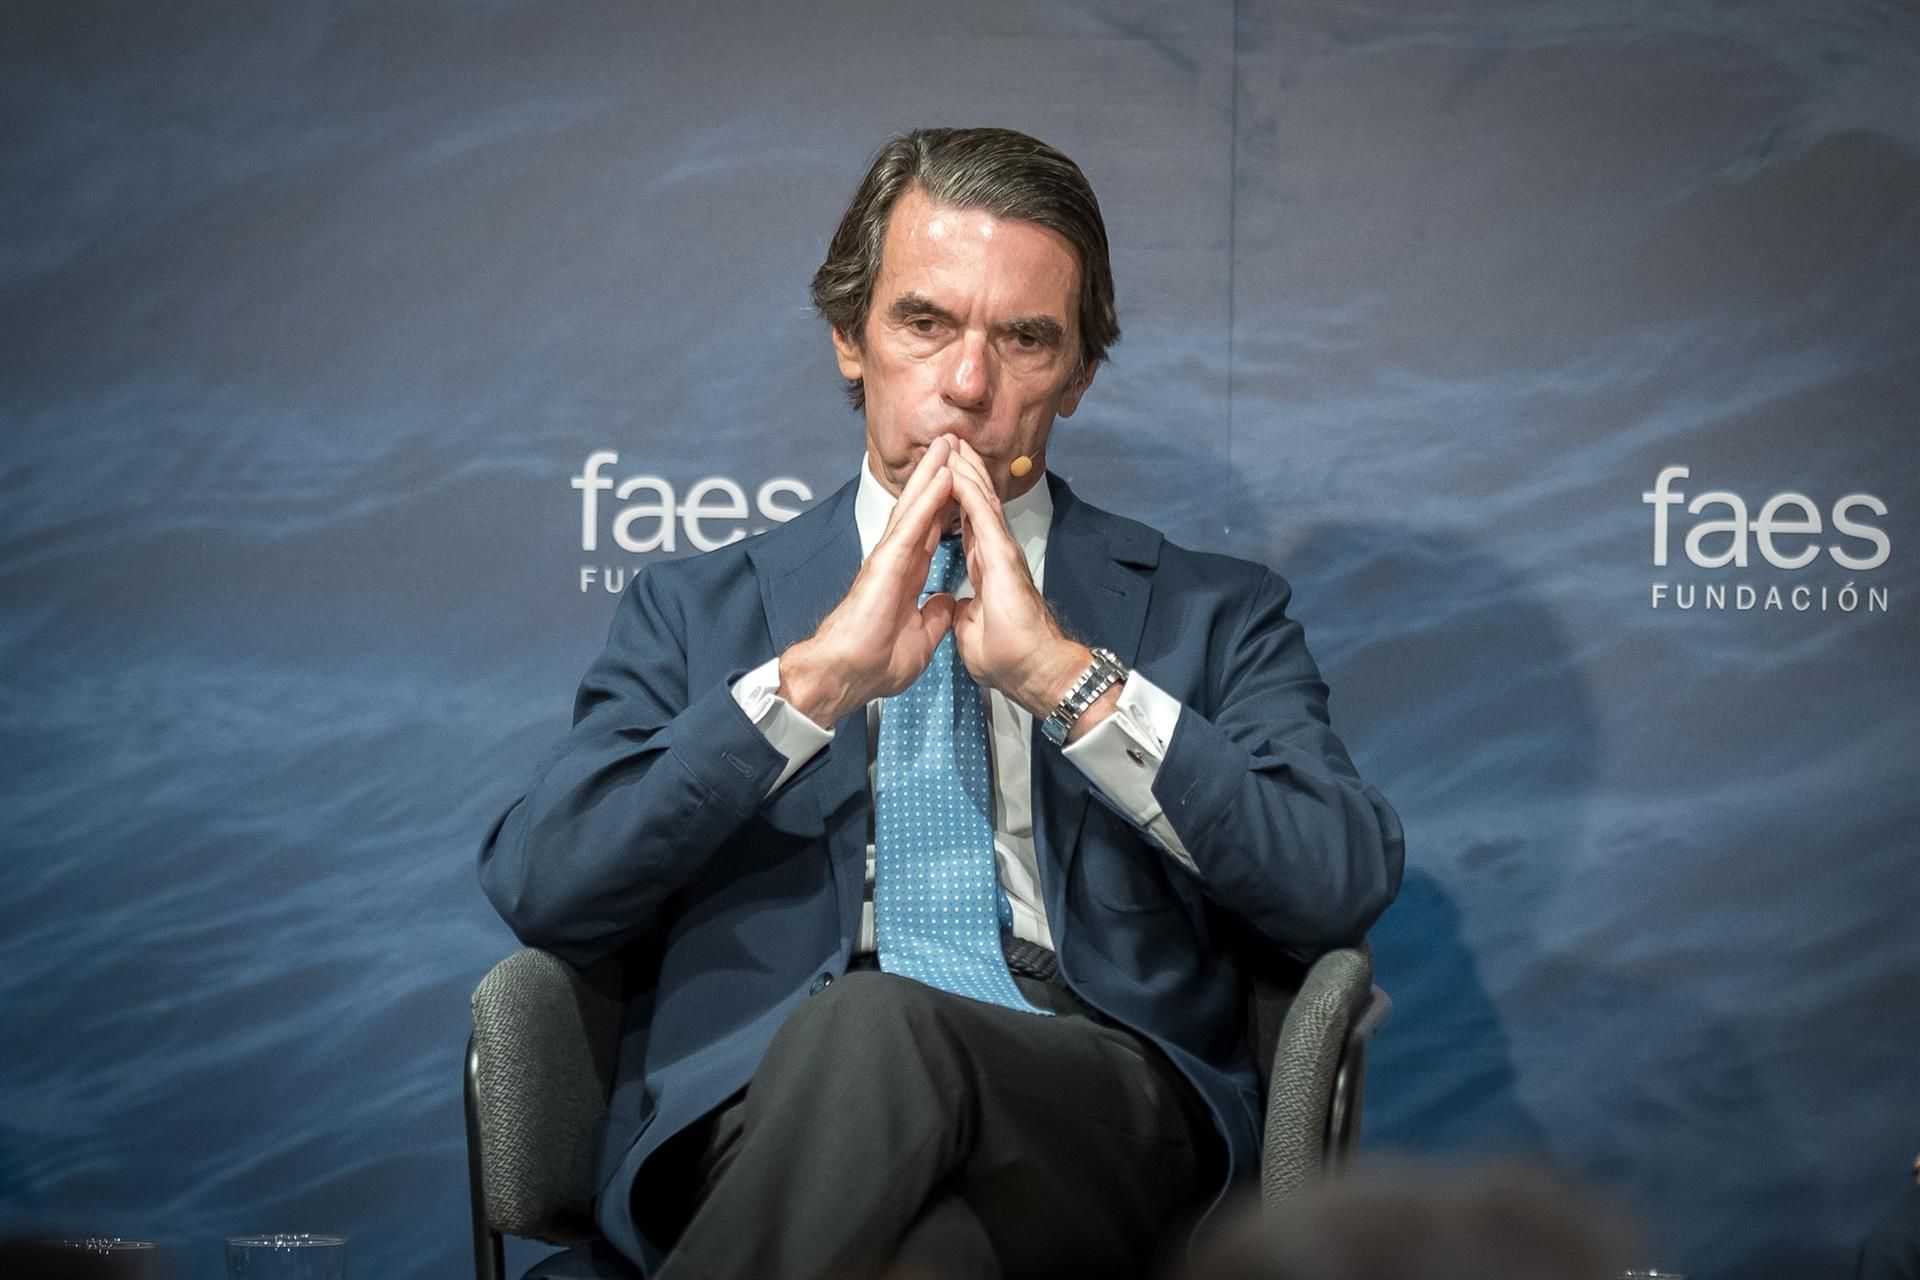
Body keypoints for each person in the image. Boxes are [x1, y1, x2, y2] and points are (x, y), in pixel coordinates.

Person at [479, 126, 1404, 1280]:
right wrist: (814, 682)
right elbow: (549, 882)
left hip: (1096, 1119)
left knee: (881, 1025)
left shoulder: (1214, 611)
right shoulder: (694, 608)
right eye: (925, 322)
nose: (968, 384)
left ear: (1079, 375)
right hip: (760, 1112)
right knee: (930, 1250)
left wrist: (1067, 681)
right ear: (849, 337)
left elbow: (1333, 877)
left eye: (1025, 338)